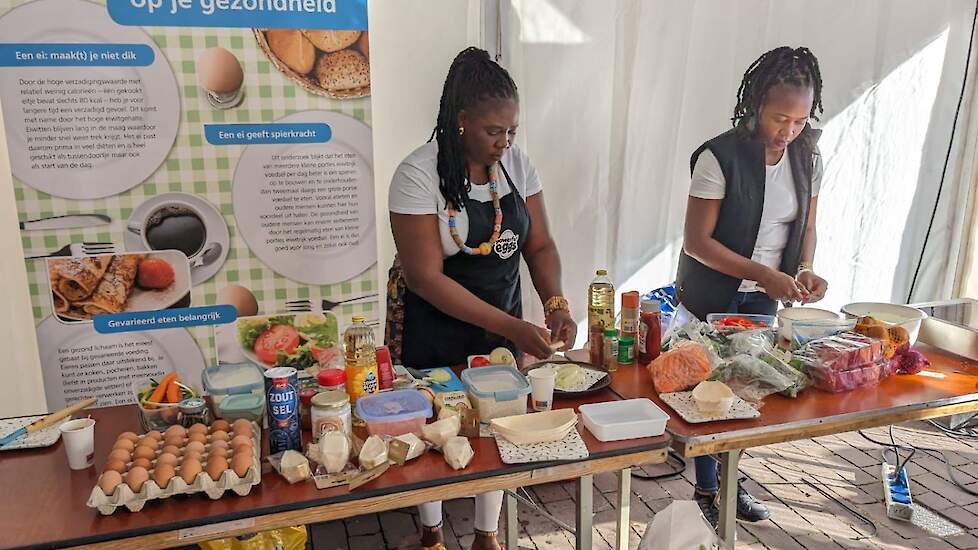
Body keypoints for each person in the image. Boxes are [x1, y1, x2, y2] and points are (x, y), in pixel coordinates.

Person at [385, 47, 576, 550]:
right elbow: (424, 277)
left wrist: (555, 303)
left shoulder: (516, 165)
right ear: (462, 121)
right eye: (495, 131)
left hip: (501, 322)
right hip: (436, 328)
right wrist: (515, 329)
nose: (505, 141)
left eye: (512, 130)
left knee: (498, 428)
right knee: (437, 427)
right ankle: (431, 533)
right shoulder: (418, 175)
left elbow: (540, 244)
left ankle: (486, 535)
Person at [677, 46, 830, 526]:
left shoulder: (808, 155)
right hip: (711, 293)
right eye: (779, 117)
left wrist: (804, 267)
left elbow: (805, 225)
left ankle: (732, 483)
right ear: (755, 105)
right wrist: (762, 272)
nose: (789, 131)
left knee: (748, 389)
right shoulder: (717, 156)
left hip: (765, 294)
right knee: (708, 392)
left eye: (800, 121)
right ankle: (707, 488)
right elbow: (697, 242)